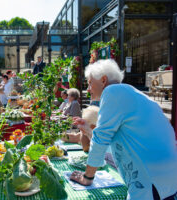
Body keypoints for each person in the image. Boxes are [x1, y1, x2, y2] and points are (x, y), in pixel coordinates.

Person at [72, 59, 177, 200]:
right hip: (165, 182)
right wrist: (89, 131)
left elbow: (101, 139)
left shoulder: (112, 91)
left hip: (152, 184)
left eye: (90, 83)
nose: (88, 89)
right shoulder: (129, 93)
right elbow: (118, 146)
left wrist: (87, 177)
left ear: (103, 80)